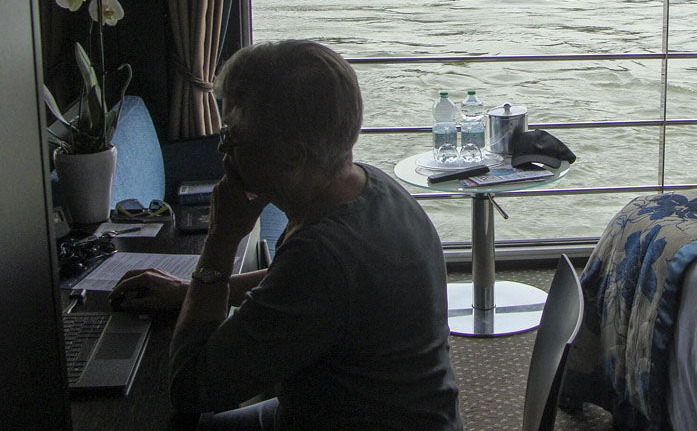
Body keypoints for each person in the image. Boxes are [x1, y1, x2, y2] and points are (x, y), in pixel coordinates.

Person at [111, 40, 463, 430]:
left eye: (231, 138)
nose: (224, 154)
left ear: (293, 156)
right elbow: (299, 287)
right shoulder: (372, 186)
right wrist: (187, 294)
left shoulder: (321, 256)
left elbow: (191, 387)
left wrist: (221, 240)